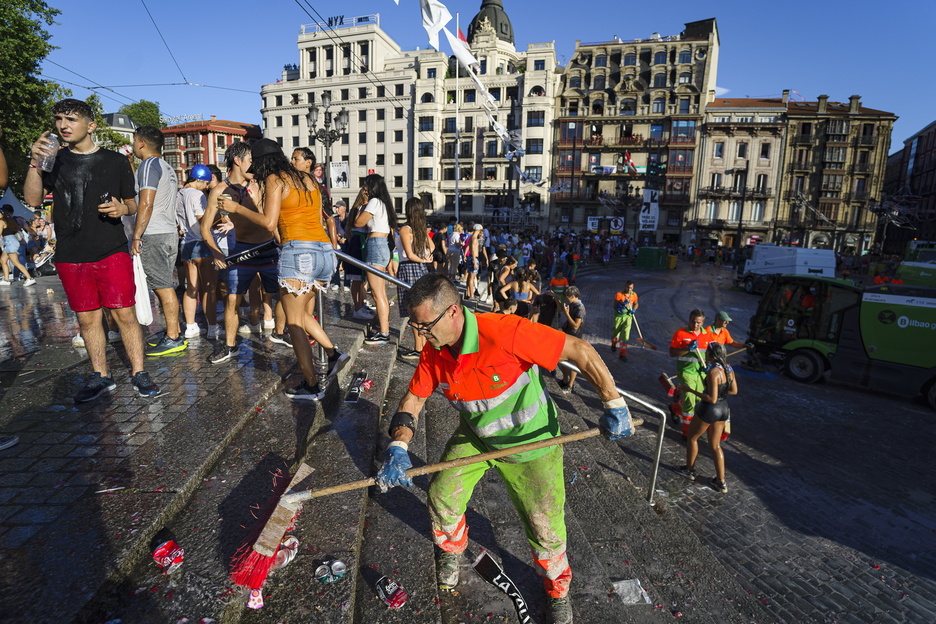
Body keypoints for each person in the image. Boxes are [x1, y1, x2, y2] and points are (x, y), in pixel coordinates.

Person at [375, 273, 636, 624]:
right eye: (416, 327)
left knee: (545, 527)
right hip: (479, 436)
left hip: (534, 447)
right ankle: (452, 549)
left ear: (453, 312)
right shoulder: (435, 351)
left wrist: (614, 402)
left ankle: (558, 592)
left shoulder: (505, 332)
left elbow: (580, 350)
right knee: (441, 494)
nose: (419, 337)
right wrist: (398, 445)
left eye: (425, 327)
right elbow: (413, 399)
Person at [23, 98, 159, 401]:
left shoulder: (114, 161)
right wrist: (34, 163)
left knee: (124, 314)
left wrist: (122, 207)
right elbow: (33, 200)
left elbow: (133, 203)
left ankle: (139, 372)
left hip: (111, 249)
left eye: (71, 119)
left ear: (91, 125)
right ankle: (101, 376)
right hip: (71, 254)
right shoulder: (54, 160)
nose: (63, 125)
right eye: (59, 119)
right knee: (86, 319)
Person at [221, 139, 348, 399]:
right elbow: (283, 227)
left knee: (292, 322)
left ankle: (312, 385)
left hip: (299, 253)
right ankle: (335, 354)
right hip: (324, 252)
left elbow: (269, 225)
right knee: (301, 316)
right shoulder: (308, 179)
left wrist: (237, 208)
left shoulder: (275, 180)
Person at [202, 142, 279, 364]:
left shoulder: (262, 184)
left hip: (268, 248)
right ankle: (230, 346)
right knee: (232, 298)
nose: (254, 164)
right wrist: (216, 253)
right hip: (241, 249)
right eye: (250, 160)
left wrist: (256, 199)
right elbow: (204, 227)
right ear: (238, 161)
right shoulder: (220, 190)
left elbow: (271, 220)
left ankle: (280, 333)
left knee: (279, 295)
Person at [130, 126, 186, 356]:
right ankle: (172, 333)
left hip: (154, 233)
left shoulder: (149, 165)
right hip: (167, 232)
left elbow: (146, 202)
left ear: (142, 143)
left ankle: (173, 336)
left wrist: (136, 235)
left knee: (163, 286)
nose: (133, 146)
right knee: (164, 284)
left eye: (134, 141)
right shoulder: (167, 166)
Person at [677, 341, 737, 493]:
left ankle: (689, 470)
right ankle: (721, 481)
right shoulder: (729, 369)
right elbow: (734, 391)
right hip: (723, 409)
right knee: (715, 445)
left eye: (707, 353)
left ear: (712, 354)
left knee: (692, 438)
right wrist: (720, 392)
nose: (705, 355)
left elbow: (712, 399)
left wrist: (689, 389)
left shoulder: (713, 372)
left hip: (710, 409)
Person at [352, 174, 397, 345]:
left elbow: (357, 223)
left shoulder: (374, 202)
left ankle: (384, 333)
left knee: (378, 294)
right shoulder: (384, 203)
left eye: (365, 186)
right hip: (381, 244)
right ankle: (383, 328)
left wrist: (362, 204)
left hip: (376, 244)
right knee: (381, 293)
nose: (364, 189)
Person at [176, 164, 219, 339]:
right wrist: (221, 216)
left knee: (190, 288)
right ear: (200, 180)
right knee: (209, 288)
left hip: (185, 244)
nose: (206, 187)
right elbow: (204, 222)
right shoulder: (197, 194)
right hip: (200, 244)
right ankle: (213, 328)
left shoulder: (179, 194)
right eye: (206, 183)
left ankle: (191, 326)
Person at [395, 197, 435, 359]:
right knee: (420, 308)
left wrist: (423, 259)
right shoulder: (419, 228)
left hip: (409, 269)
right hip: (421, 269)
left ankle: (418, 348)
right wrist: (426, 258)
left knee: (413, 310)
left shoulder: (405, 229)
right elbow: (431, 246)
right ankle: (423, 347)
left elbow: (409, 255)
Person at [669, 309, 714, 438]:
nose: (695, 325)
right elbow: (672, 353)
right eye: (693, 322)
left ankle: (675, 408)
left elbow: (710, 355)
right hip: (686, 371)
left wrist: (710, 365)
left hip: (701, 373)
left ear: (703, 322)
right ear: (689, 320)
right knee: (689, 400)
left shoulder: (708, 336)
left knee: (699, 400)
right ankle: (687, 433)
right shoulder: (680, 334)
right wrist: (687, 349)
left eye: (698, 323)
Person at [557, 286, 585, 393]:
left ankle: (570, 384)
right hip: (568, 336)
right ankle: (565, 380)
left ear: (573, 296)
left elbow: (576, 326)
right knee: (563, 359)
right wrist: (556, 297)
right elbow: (561, 308)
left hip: (575, 338)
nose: (566, 299)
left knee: (573, 362)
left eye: (567, 297)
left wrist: (567, 314)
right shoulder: (572, 304)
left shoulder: (580, 308)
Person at [0, 205, 36, 286]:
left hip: (10, 242)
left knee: (15, 262)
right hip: (10, 242)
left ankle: (29, 278)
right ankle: (6, 279)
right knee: (3, 260)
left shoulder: (1, 221)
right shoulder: (9, 220)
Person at [611, 281, 638, 362]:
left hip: (628, 317)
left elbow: (636, 303)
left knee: (625, 336)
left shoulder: (634, 295)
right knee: (615, 333)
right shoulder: (619, 294)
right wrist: (621, 305)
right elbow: (615, 306)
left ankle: (622, 354)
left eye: (631, 288)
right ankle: (613, 344)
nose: (629, 289)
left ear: (633, 288)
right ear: (625, 286)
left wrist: (634, 309)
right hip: (618, 317)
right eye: (627, 287)